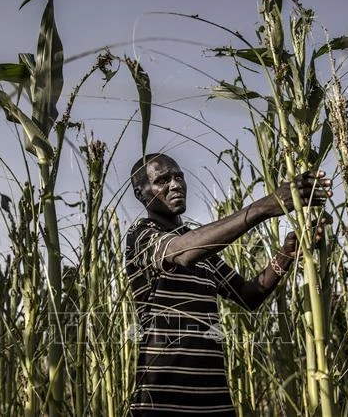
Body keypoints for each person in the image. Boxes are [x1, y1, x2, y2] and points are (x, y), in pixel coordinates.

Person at [125, 153, 332, 416]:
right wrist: (263, 207)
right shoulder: (142, 236)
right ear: (140, 193)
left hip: (214, 400)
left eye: (178, 176)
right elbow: (183, 252)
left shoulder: (200, 249)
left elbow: (249, 295)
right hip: (161, 402)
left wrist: (287, 253)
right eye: (162, 180)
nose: (175, 184)